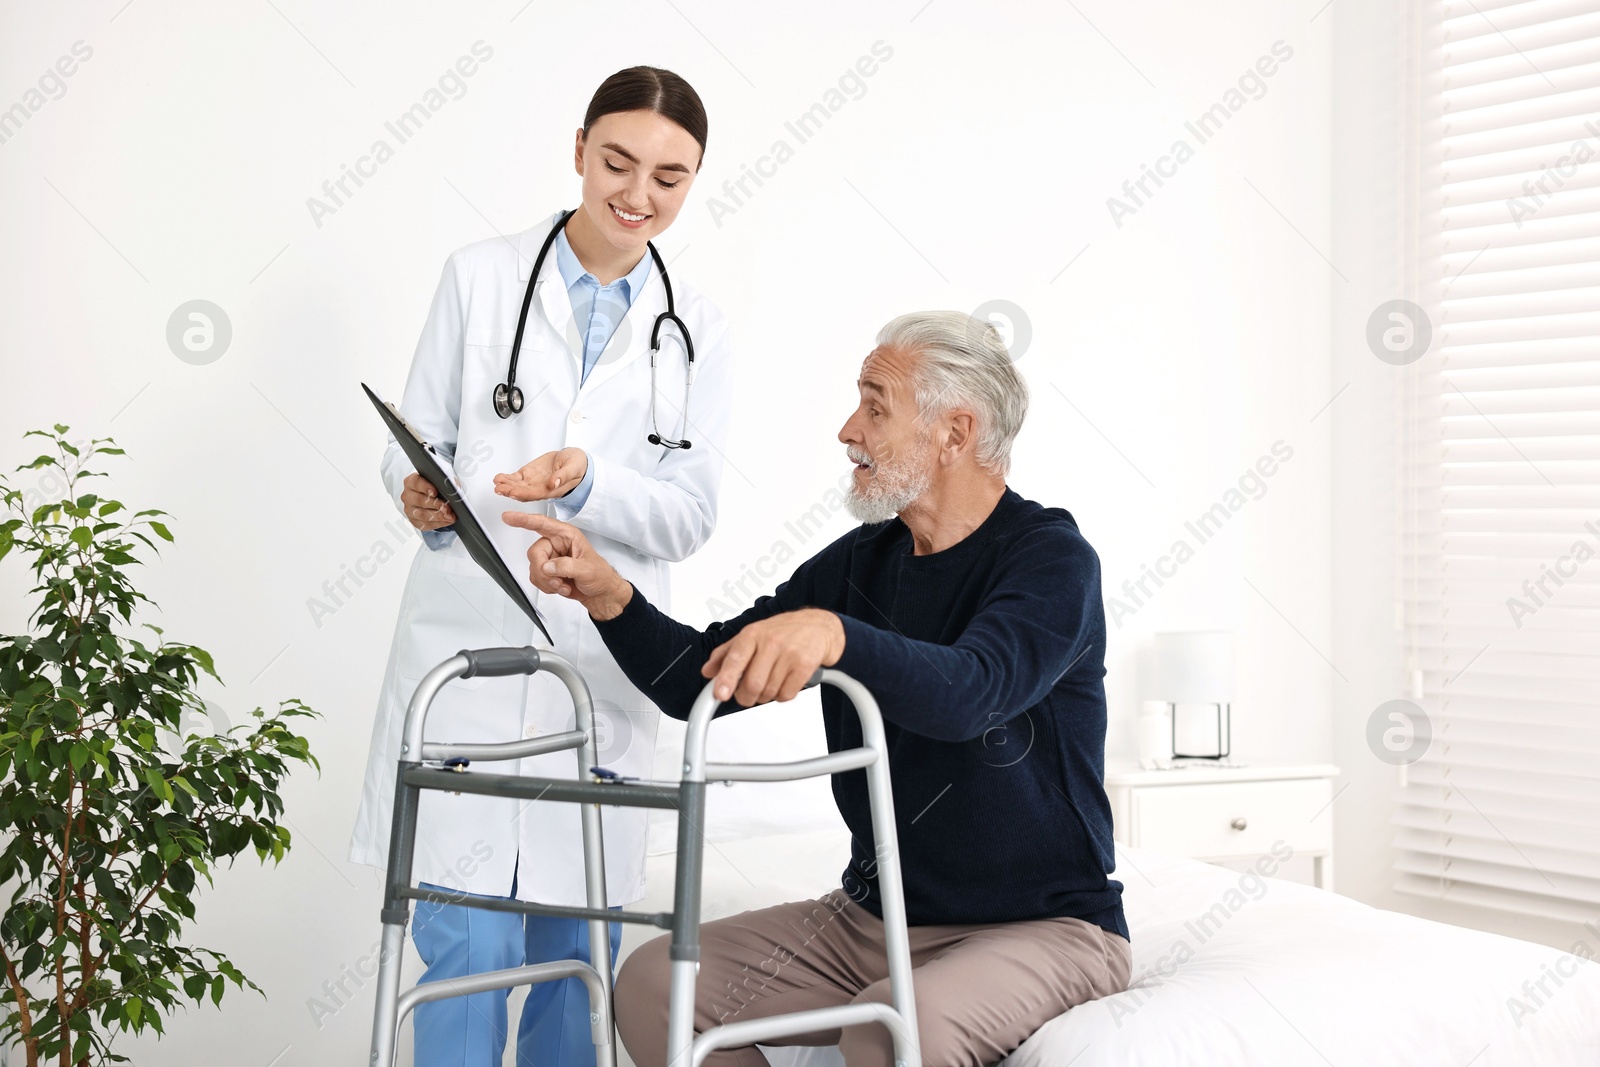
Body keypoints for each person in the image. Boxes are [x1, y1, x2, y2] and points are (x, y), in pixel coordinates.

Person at [502, 311, 1132, 1067]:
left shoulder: (1051, 560)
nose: (847, 429)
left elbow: (974, 692)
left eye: (875, 405)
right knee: (650, 987)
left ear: (955, 433)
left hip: (1045, 929)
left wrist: (837, 636)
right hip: (874, 919)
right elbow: (699, 679)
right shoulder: (862, 563)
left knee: (889, 1026)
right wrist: (608, 593)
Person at [348, 66, 734, 1067]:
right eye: (617, 161)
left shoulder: (697, 321)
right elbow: (414, 440)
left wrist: (588, 484)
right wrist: (417, 489)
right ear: (577, 150)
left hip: (601, 669)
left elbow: (690, 513)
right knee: (467, 947)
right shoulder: (479, 275)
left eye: (669, 176)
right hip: (470, 654)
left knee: (577, 960)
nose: (638, 194)